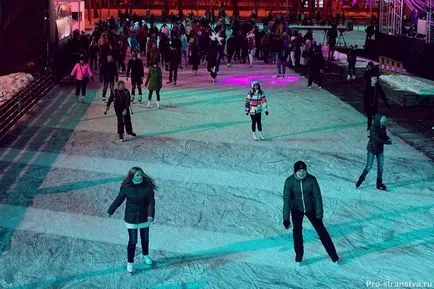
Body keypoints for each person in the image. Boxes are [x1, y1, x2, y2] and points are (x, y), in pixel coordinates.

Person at [282, 161, 339, 264]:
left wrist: (319, 214)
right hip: (296, 208)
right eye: (299, 171)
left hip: (311, 208)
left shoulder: (311, 180)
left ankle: (333, 256)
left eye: (303, 170)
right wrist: (286, 218)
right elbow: (287, 200)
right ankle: (299, 255)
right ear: (295, 171)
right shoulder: (289, 181)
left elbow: (317, 197)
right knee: (297, 231)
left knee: (321, 231)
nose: (301, 173)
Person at [107, 167, 157, 273]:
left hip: (144, 217)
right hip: (131, 218)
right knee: (133, 241)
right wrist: (111, 210)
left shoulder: (147, 187)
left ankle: (146, 255)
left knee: (145, 238)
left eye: (141, 174)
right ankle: (130, 262)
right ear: (132, 176)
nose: (140, 176)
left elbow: (151, 202)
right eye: (138, 175)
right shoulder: (127, 187)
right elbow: (119, 199)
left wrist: (150, 215)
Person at [356, 114, 392, 190]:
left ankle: (379, 183)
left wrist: (388, 138)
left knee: (381, 167)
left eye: (384, 122)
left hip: (380, 149)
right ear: (379, 121)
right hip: (372, 149)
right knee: (369, 166)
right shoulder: (373, 128)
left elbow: (384, 136)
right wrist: (385, 142)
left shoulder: (383, 127)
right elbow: (377, 138)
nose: (384, 123)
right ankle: (361, 179)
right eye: (383, 122)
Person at [363, 64, 390, 130]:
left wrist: (386, 103)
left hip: (375, 103)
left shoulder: (377, 86)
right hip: (369, 103)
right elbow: (365, 96)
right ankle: (369, 127)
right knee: (369, 116)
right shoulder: (368, 85)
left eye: (376, 79)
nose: (374, 80)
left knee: (375, 115)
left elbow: (382, 94)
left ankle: (374, 127)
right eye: (373, 79)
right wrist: (366, 105)